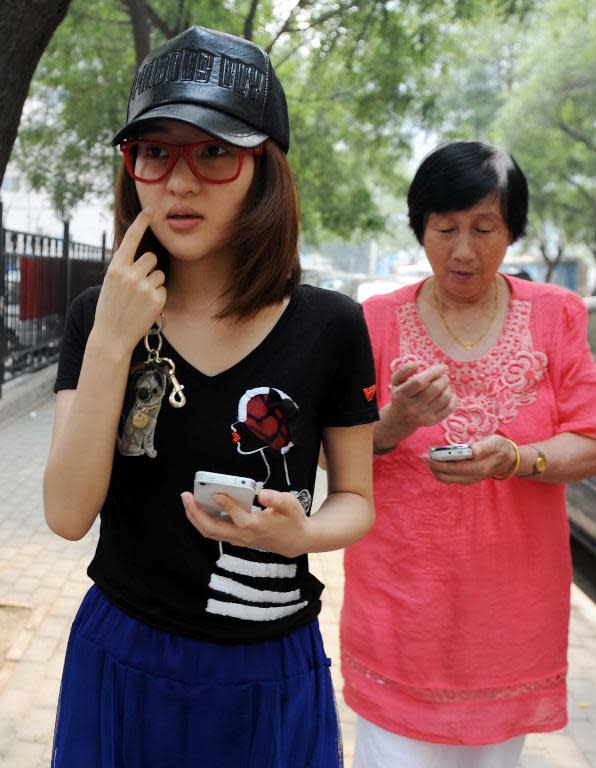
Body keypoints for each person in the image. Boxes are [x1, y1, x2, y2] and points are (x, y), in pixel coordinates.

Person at [44, 26, 378, 768]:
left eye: (215, 151)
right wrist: (111, 340)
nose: (179, 181)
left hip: (265, 662)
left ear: (264, 169)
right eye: (155, 152)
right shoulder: (96, 317)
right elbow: (66, 515)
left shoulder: (330, 325)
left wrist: (302, 537)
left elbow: (357, 497)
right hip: (122, 653)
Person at [340, 140, 596, 768]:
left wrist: (515, 459)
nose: (464, 249)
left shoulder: (557, 316)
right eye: (446, 228)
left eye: (484, 228)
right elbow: (331, 455)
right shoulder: (374, 322)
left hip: (508, 623)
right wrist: (396, 421)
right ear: (421, 229)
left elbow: (594, 443)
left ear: (511, 230)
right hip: (400, 619)